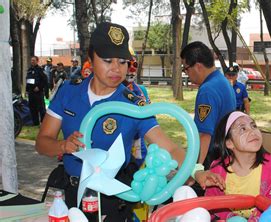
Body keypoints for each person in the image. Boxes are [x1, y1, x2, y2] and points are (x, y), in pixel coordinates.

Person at [36, 22, 223, 221]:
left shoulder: (134, 105)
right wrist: (63, 146)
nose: (116, 68)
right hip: (72, 193)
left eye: (123, 61)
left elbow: (168, 147)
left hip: (113, 197)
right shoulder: (68, 92)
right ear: (90, 58)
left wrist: (196, 171)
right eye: (107, 60)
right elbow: (42, 143)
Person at [205, 111, 271, 221]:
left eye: (253, 126)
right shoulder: (218, 170)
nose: (252, 131)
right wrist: (231, 218)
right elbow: (211, 205)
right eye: (243, 129)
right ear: (229, 143)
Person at [180, 41, 236, 169]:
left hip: (211, 159)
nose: (186, 74)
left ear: (198, 66)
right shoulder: (222, 81)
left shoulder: (207, 90)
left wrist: (194, 169)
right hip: (225, 154)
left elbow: (204, 135)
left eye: (186, 69)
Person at [122, 56, 150, 166]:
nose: (132, 70)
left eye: (135, 65)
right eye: (128, 65)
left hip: (139, 147)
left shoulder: (141, 90)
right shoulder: (113, 92)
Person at [26, 55, 47, 126]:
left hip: (38, 92)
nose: (32, 62)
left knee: (41, 108)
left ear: (37, 61)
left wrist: (39, 87)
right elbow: (28, 80)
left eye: (34, 60)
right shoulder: (29, 69)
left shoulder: (40, 69)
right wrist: (27, 90)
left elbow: (44, 80)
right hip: (31, 92)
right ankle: (35, 123)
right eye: (31, 60)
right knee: (32, 108)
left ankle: (43, 123)